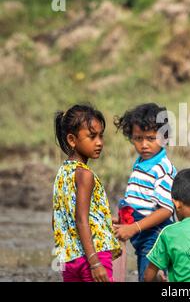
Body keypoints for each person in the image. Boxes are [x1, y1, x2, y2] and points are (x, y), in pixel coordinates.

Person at [52, 104, 121, 282]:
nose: (99, 142)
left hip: (70, 258)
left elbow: (61, 216)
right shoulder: (85, 175)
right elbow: (81, 219)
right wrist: (95, 263)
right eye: (92, 136)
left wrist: (105, 219)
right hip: (93, 255)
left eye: (101, 135)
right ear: (72, 140)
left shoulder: (62, 173)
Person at [113, 103, 176, 281]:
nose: (144, 145)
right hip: (140, 233)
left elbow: (166, 210)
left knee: (148, 275)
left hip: (154, 236)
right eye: (138, 138)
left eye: (150, 138)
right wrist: (122, 221)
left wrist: (134, 227)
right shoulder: (141, 162)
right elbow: (142, 201)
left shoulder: (162, 168)